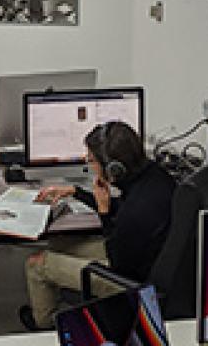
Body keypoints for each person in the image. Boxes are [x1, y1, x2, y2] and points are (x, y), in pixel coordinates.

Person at [19, 121, 175, 331]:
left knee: (36, 264)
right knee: (58, 246)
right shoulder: (154, 177)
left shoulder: (137, 211)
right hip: (142, 258)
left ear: (114, 168)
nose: (88, 162)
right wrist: (77, 192)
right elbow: (121, 210)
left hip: (129, 282)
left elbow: (117, 260)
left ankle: (46, 325)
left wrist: (103, 214)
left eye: (92, 160)